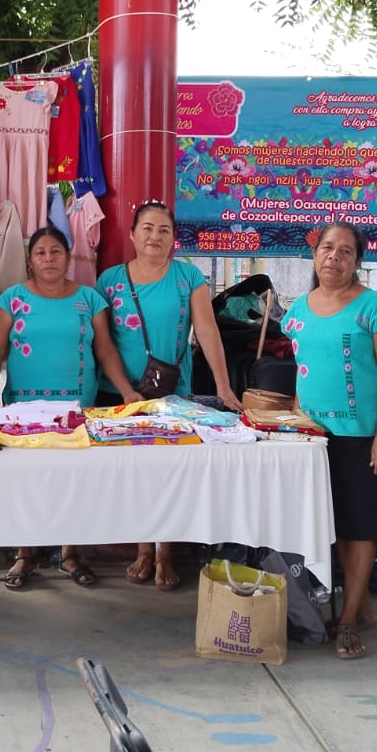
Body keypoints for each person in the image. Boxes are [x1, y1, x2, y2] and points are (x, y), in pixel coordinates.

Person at [0, 226, 141, 590]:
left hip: (77, 407)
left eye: (56, 252)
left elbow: (105, 351)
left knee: (74, 482)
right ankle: (25, 552)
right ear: (30, 260)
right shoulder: (12, 299)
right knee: (26, 482)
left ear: (68, 257)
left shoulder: (89, 299)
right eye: (41, 253)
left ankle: (70, 553)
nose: (49, 259)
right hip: (24, 409)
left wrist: (126, 391)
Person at [95, 200, 242, 590]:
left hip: (171, 394)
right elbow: (103, 343)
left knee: (167, 475)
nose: (155, 236)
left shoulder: (188, 277)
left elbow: (208, 332)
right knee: (135, 477)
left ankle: (165, 553)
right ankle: (143, 549)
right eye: (147, 228)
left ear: (174, 238)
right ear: (131, 234)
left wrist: (224, 387)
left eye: (163, 230)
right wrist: (123, 391)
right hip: (120, 396)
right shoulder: (109, 281)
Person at [284, 222, 377, 659]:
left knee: (359, 529)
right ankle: (361, 603)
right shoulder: (298, 309)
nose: (333, 257)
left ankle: (349, 619)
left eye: (345, 252)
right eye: (326, 249)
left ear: (358, 261)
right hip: (314, 439)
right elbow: (303, 372)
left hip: (363, 437)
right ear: (314, 256)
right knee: (326, 528)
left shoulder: (376, 309)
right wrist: (295, 424)